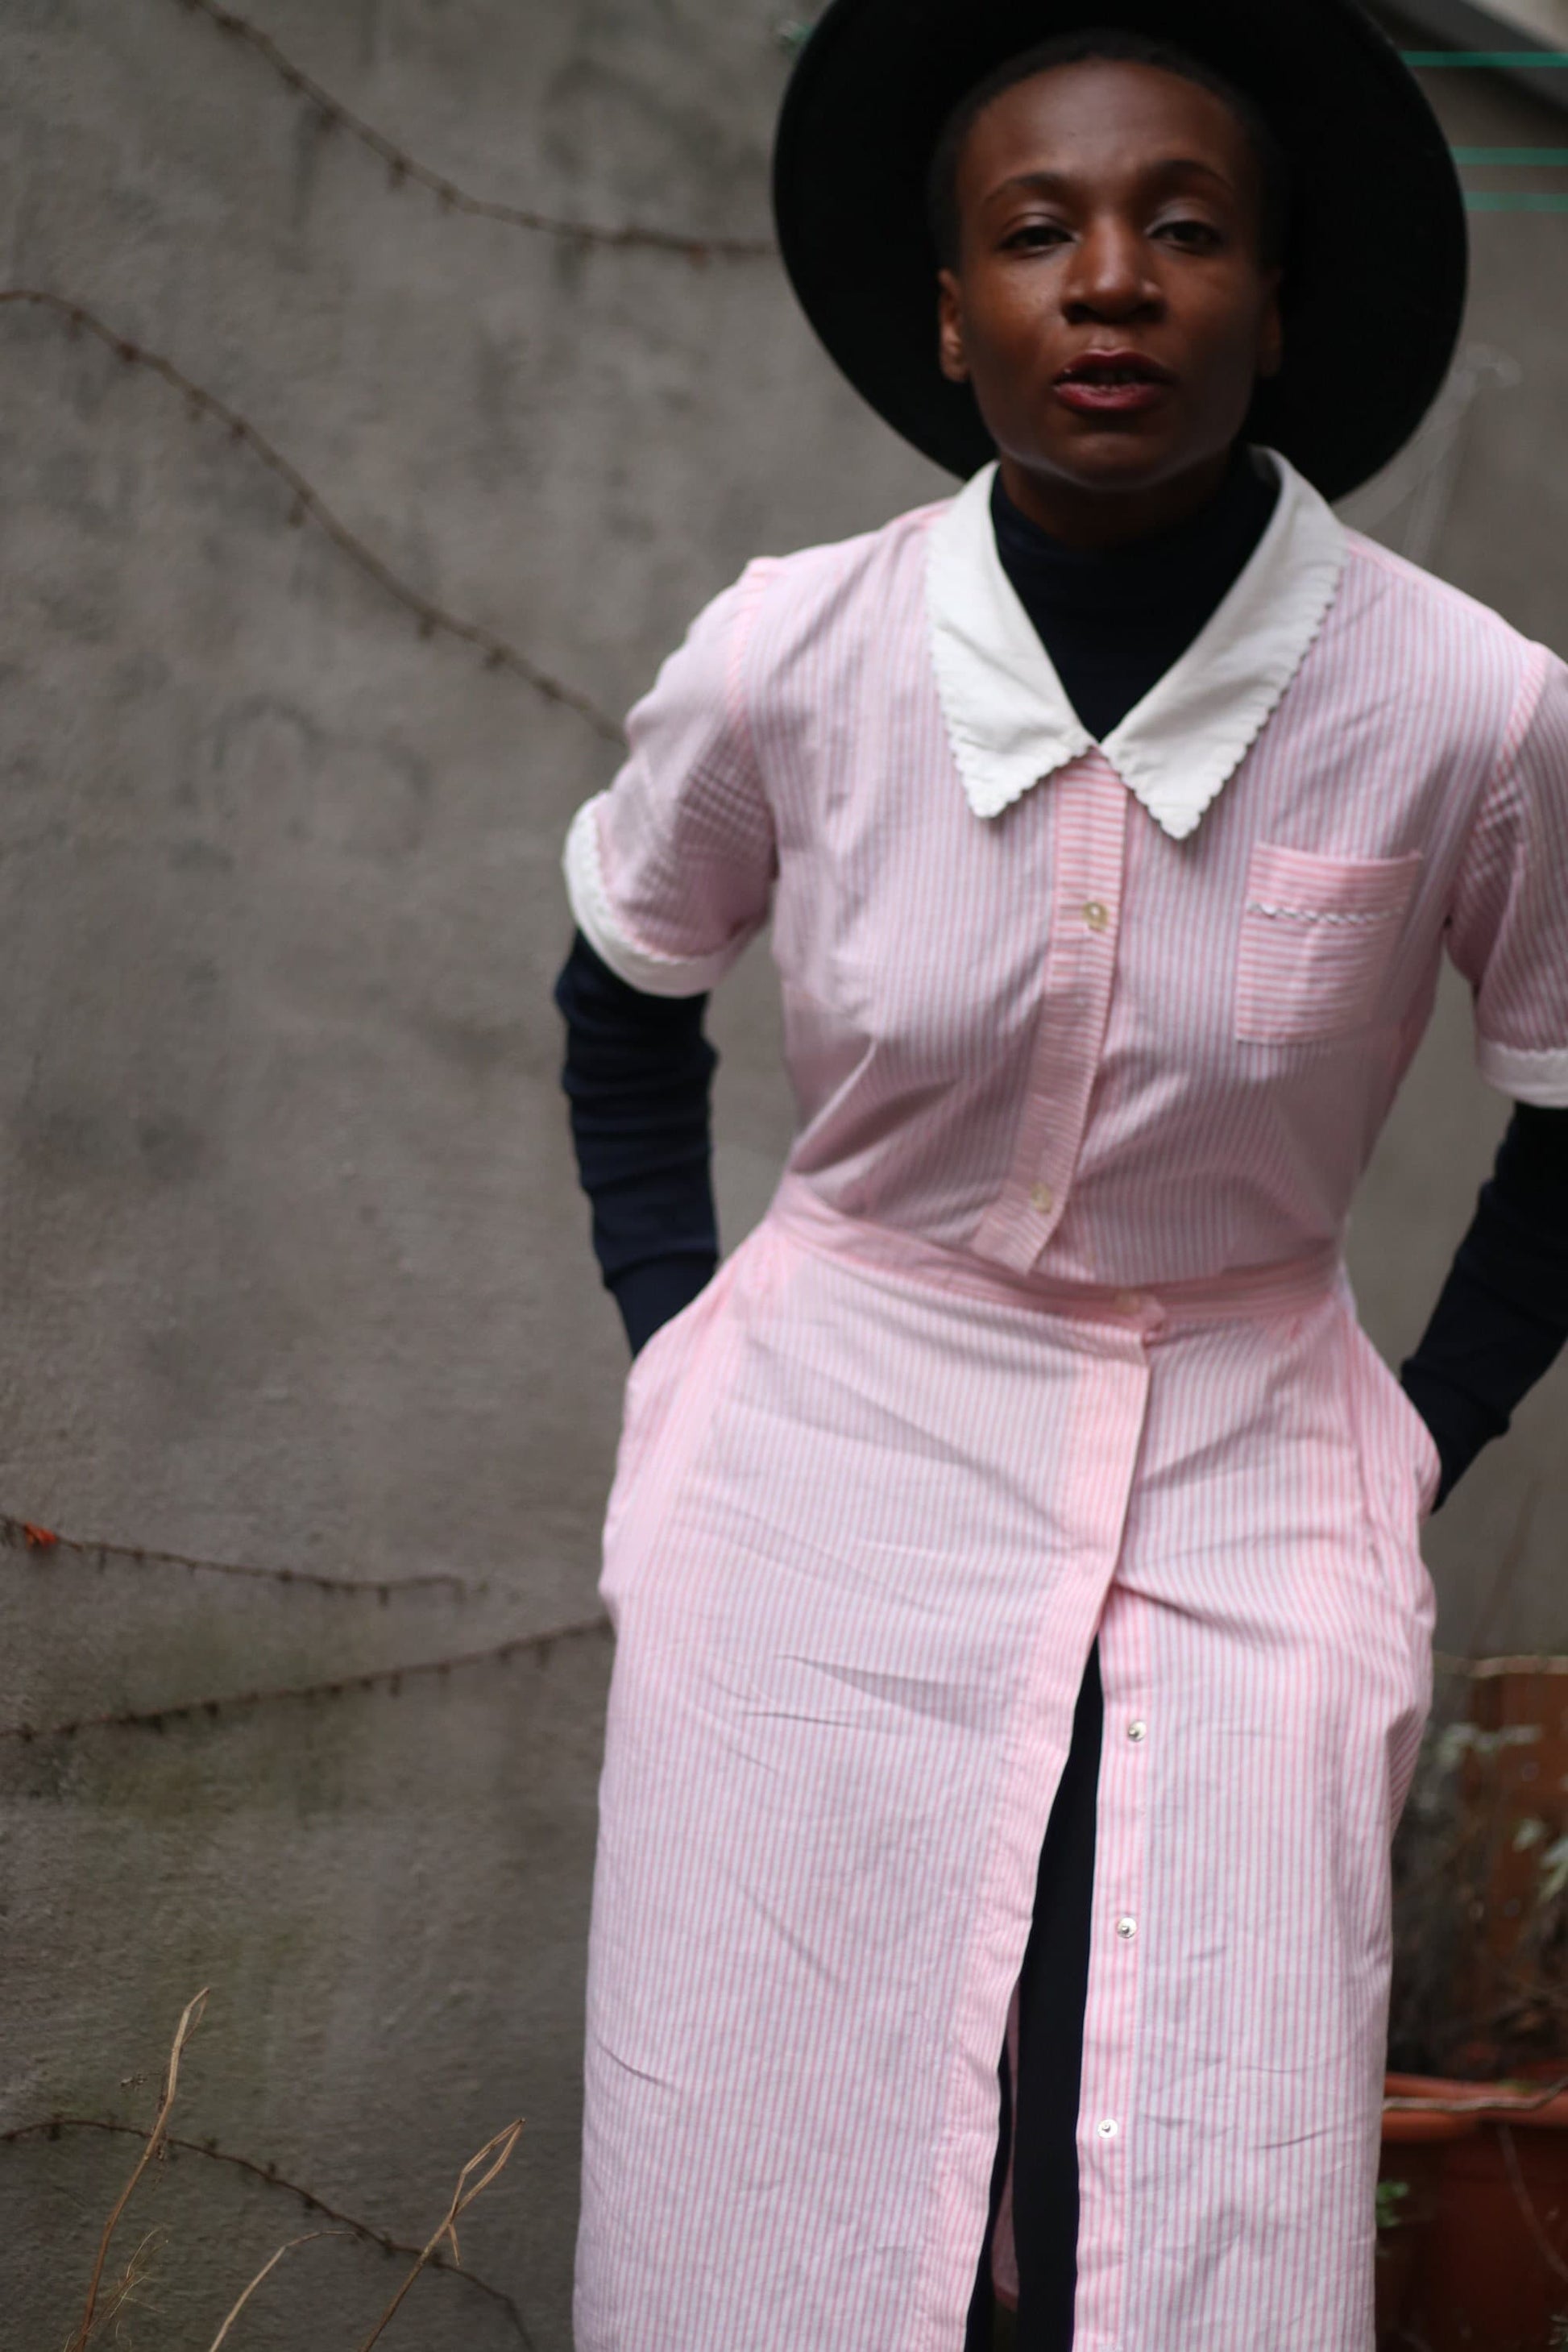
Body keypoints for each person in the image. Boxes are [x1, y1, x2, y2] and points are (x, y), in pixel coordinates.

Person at [554, 5, 1568, 2345]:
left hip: (1249, 1470)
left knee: (1189, 2152)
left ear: (1277, 302)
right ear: (948, 314)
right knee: (768, 2133)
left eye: (1181, 228)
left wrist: (1419, 1437)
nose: (1107, 280)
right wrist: (683, 1344)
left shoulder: (1466, 708)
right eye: (1035, 233)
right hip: (819, 1468)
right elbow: (622, 991)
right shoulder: (789, 652)